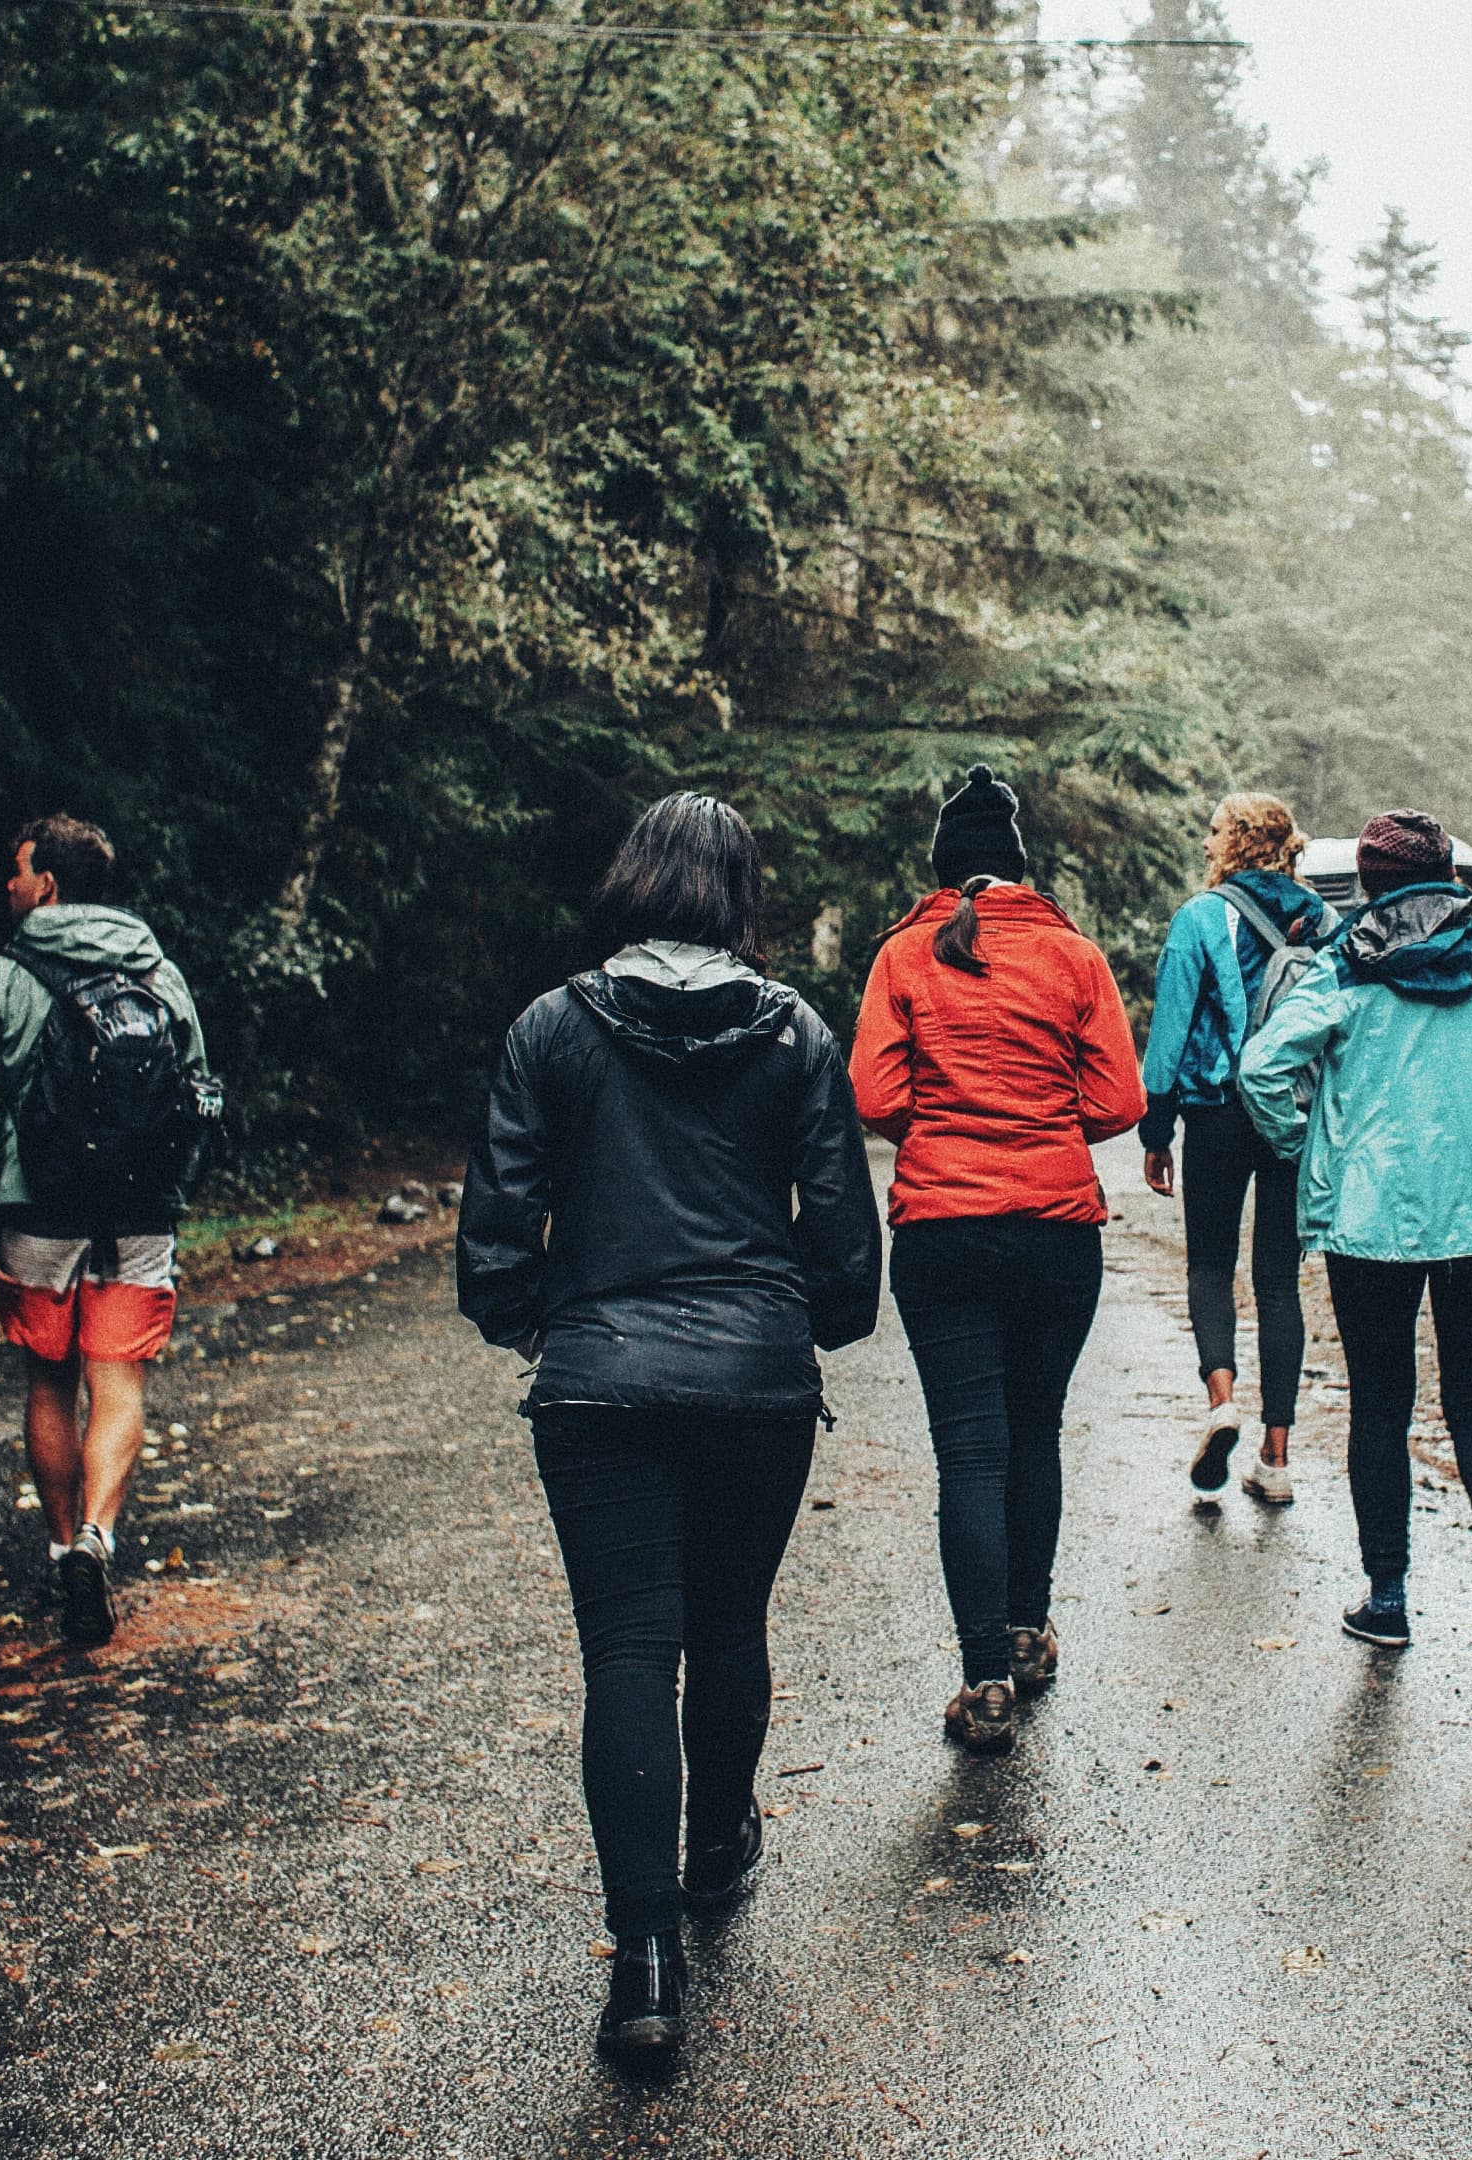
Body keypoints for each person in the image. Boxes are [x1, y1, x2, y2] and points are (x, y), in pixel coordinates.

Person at [457, 793, 881, 2069]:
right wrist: (803, 1321)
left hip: (598, 1384)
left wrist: (545, 1323)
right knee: (729, 1625)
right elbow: (843, 1241)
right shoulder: (795, 1030)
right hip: (756, 1382)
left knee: (629, 1651)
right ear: (739, 894)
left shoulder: (551, 1026)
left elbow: (496, 1229)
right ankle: (715, 1850)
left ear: (632, 882)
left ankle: (644, 1967)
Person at [852, 766, 1146, 1754]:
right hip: (1057, 1230)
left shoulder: (904, 954)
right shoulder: (1073, 955)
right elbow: (1118, 1100)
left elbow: (874, 1096)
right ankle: (1027, 1632)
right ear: (1019, 869)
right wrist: (1044, 1125)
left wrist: (945, 1131)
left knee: (969, 1450)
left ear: (943, 871)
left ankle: (984, 1681)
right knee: (1035, 1430)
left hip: (942, 1230)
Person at [1238, 811, 1472, 1671]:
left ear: (1369, 883)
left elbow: (1263, 1068)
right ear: (1451, 876)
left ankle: (1387, 1599)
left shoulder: (1343, 964)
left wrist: (1302, 1141)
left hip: (1372, 1217)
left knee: (1381, 1405)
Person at [0, 813, 219, 1651]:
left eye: (20, 870)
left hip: (37, 1212)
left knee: (50, 1380)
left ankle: (63, 1549)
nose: (10, 883)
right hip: (139, 1210)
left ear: (49, 886)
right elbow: (198, 1093)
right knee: (120, 1381)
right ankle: (100, 1537)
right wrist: (172, 1192)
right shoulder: (160, 972)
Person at [1139, 793, 1334, 1507]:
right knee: (1279, 1282)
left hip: (1217, 1112)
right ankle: (1276, 1458)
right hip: (1291, 1113)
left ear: (1241, 840)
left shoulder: (1199, 918)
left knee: (1210, 1265)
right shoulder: (1324, 921)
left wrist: (1157, 1129)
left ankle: (1222, 1402)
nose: (1205, 842)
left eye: (1215, 830)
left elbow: (1169, 1032)